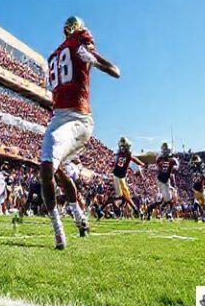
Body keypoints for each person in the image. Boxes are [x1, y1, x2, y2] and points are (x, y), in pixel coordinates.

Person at [40, 16, 120, 250]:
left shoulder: (75, 42)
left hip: (78, 119)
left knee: (47, 164)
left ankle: (58, 231)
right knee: (55, 170)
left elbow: (115, 71)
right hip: (60, 117)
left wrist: (94, 59)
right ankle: (79, 218)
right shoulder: (56, 54)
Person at [103, 136, 143, 216]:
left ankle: (135, 209)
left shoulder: (120, 154)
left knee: (126, 194)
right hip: (118, 176)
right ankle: (103, 206)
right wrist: (142, 164)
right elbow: (133, 159)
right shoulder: (126, 154)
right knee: (120, 196)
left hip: (121, 176)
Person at [146, 142, 179, 219]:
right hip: (162, 180)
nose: (166, 152)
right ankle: (169, 213)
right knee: (169, 199)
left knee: (161, 200)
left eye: (166, 150)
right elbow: (168, 169)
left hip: (163, 180)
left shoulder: (170, 159)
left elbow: (174, 169)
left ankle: (150, 208)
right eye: (165, 150)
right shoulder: (163, 159)